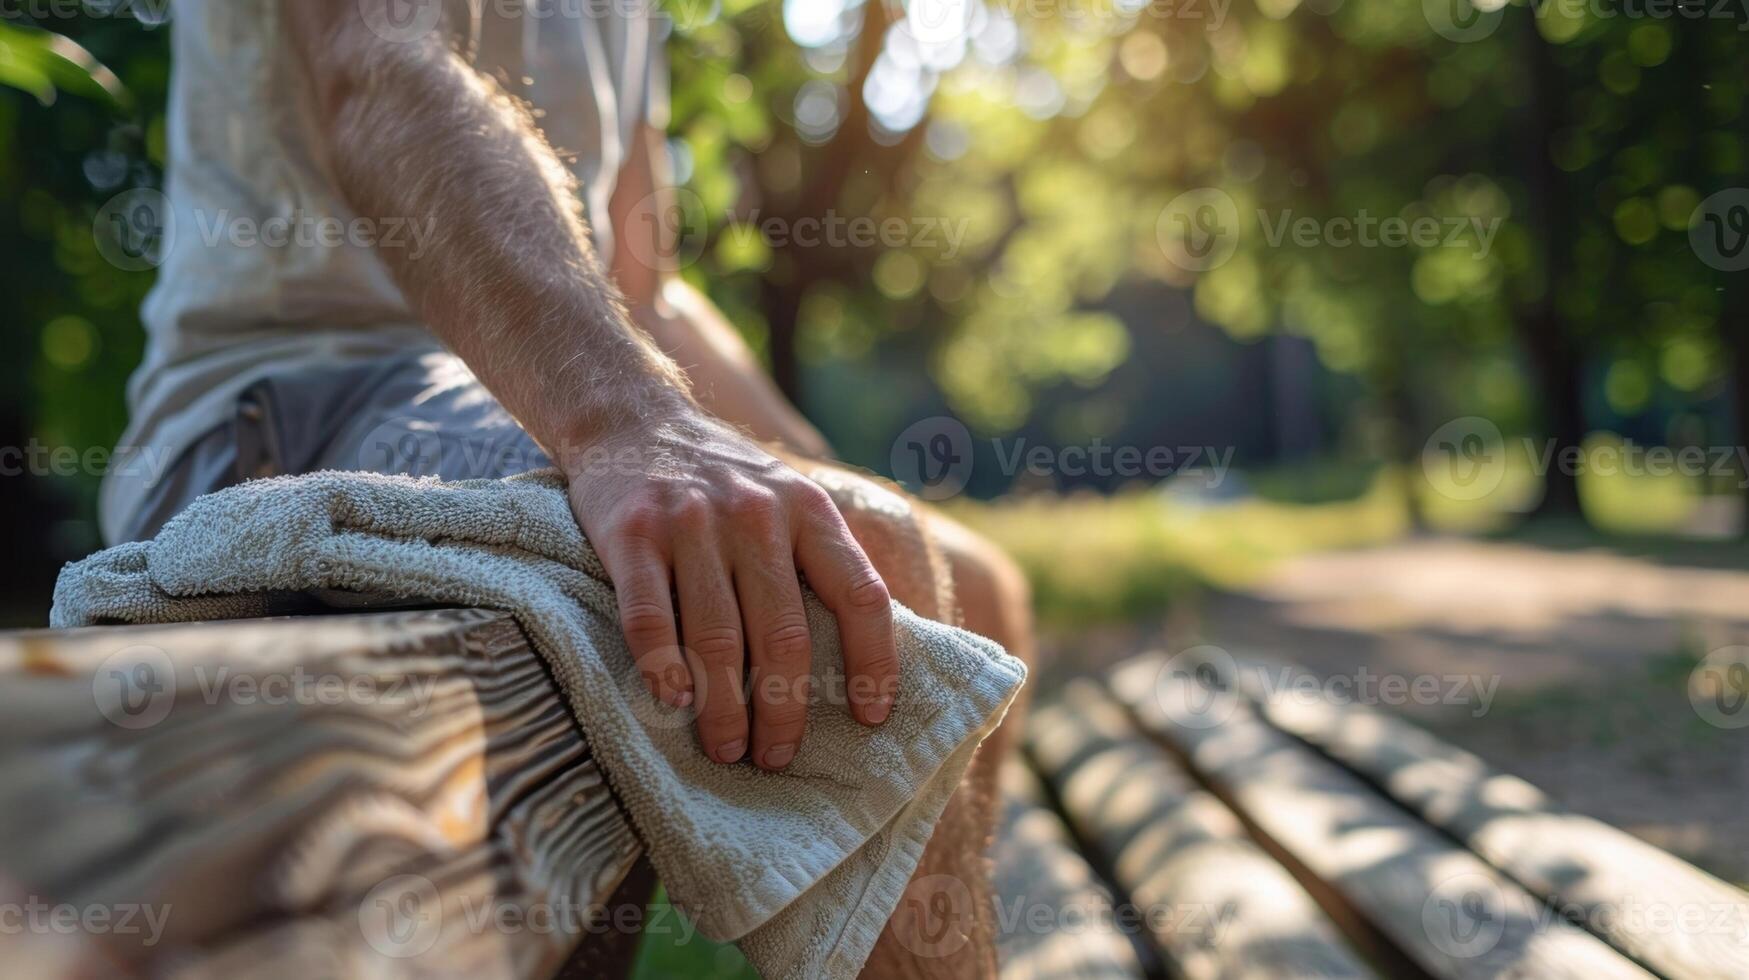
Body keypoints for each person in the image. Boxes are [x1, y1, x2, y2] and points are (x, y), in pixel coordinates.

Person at [102, 2, 1033, 972]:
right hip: (283, 411)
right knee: (835, 578)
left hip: (513, 392)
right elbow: (375, 67)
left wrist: (809, 466)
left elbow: (643, 288)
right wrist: (626, 424)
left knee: (961, 579)